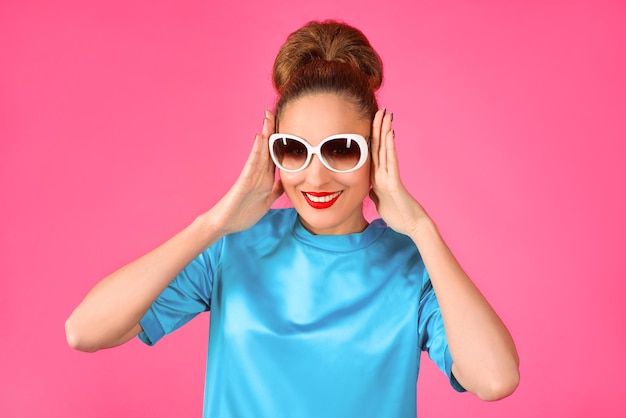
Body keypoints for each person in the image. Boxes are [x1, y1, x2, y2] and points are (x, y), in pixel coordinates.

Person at [65, 20, 519, 417]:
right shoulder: (232, 248)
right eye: (295, 150)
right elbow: (84, 331)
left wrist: (422, 230)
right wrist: (213, 225)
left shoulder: (412, 270)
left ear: (377, 155)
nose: (315, 175)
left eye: (342, 149)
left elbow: (494, 379)